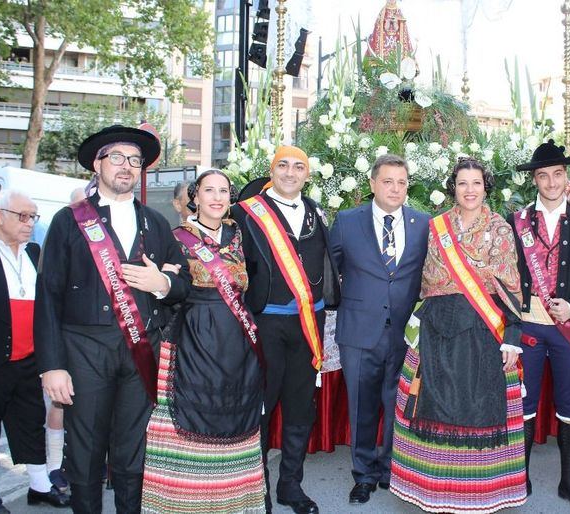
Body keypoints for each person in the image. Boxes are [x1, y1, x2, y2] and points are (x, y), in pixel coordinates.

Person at [34, 125, 191, 514]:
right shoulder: (69, 221)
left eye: (135, 160)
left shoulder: (155, 222)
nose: (127, 166)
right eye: (117, 157)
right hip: (84, 349)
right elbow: (48, 297)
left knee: (132, 454)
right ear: (97, 164)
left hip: (140, 349)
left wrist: (162, 284)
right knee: (85, 454)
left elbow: (184, 283)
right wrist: (52, 366)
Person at [390, 157, 527, 513]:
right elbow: (419, 275)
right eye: (463, 183)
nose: (469, 190)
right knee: (431, 403)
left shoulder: (499, 228)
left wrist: (512, 335)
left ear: (486, 188)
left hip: (482, 329)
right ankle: (430, 489)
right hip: (435, 326)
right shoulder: (436, 226)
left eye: (476, 183)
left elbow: (511, 286)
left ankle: (479, 494)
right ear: (454, 187)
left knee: (476, 407)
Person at [141, 169, 266, 512]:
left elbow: (256, 281)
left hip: (237, 340)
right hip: (192, 336)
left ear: (230, 197)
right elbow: (167, 288)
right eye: (208, 190)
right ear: (195, 197)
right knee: (189, 419)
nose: (216, 197)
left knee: (237, 417)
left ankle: (232, 502)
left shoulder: (241, 235)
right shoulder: (177, 237)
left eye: (223, 191)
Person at [231, 146, 340, 514]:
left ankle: (290, 485)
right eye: (283, 165)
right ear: (271, 170)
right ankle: (256, 485)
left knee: (299, 407)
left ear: (307, 174)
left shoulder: (315, 211)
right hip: (266, 323)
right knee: (261, 406)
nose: (290, 173)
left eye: (298, 167)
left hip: (309, 323)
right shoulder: (246, 213)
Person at [506, 139, 570, 510]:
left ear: (567, 178)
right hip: (528, 326)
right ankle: (521, 476)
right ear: (534, 179)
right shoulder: (514, 222)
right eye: (544, 175)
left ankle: (568, 481)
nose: (551, 182)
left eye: (558, 174)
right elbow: (505, 277)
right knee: (524, 403)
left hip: (568, 327)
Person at [329, 154, 430, 504]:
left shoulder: (423, 223)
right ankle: (364, 473)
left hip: (405, 334)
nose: (395, 189)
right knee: (362, 406)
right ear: (372, 184)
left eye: (402, 182)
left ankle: (390, 467)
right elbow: (330, 272)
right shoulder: (346, 221)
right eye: (388, 181)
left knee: (398, 402)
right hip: (359, 331)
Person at [0, 190, 71, 514]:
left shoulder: (34, 252)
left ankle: (39, 485)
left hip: (28, 359)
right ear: (0, 216)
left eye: (33, 217)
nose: (29, 223)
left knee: (29, 422)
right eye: (23, 216)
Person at [46, 186, 90, 494]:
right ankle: (55, 466)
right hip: (68, 341)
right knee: (62, 406)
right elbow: (51, 297)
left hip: (100, 344)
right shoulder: (63, 232)